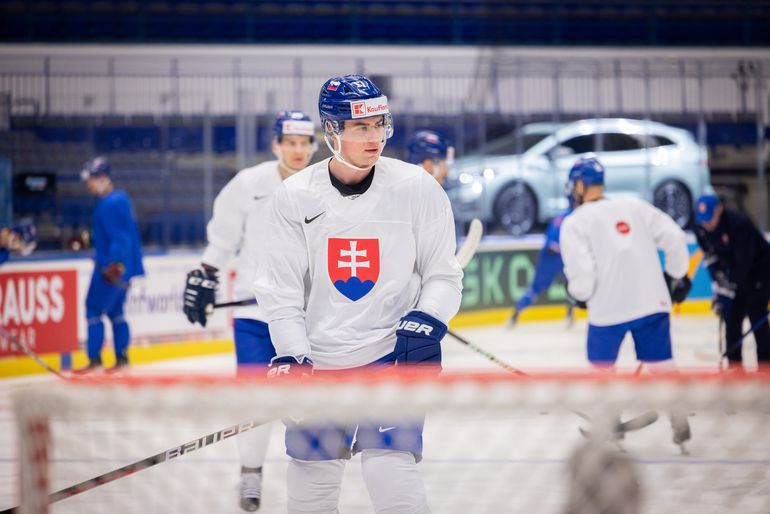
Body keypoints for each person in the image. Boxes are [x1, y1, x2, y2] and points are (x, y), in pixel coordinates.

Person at [253, 74, 463, 513]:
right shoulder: (293, 198)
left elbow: (444, 275)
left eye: (380, 124)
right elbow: (282, 294)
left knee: (390, 474)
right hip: (320, 364)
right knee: (312, 482)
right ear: (332, 131)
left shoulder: (417, 188)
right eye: (361, 127)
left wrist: (429, 317)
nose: (375, 137)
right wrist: (293, 357)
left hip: (389, 357)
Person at [182, 110, 317, 511]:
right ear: (276, 145)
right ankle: (251, 473)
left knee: (307, 406)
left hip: (310, 318)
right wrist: (206, 274)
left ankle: (312, 479)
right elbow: (223, 239)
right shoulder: (248, 184)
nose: (297, 150)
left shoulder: (324, 183)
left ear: (313, 145)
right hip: (255, 319)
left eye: (303, 143)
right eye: (289, 142)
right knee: (256, 401)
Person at [559, 156, 692, 450]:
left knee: (602, 370)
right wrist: (677, 276)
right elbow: (674, 237)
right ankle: (678, 413)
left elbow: (583, 274)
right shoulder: (635, 206)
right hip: (651, 301)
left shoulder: (575, 222)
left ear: (580, 185)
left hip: (608, 310)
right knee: (663, 365)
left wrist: (579, 294)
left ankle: (608, 422)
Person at [76, 156, 144, 373]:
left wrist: (115, 264)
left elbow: (120, 238)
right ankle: (122, 359)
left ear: (103, 178)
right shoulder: (119, 199)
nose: (89, 186)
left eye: (92, 181)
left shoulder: (110, 203)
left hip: (110, 270)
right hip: (125, 269)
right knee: (116, 311)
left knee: (93, 309)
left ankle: (95, 360)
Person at [693, 194, 770, 370]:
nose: (706, 224)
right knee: (732, 319)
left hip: (759, 272)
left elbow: (744, 263)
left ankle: (766, 367)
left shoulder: (739, 224)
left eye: (710, 219)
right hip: (736, 271)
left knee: (756, 314)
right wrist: (719, 283)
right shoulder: (700, 227)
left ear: (720, 209)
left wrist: (728, 290)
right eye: (702, 220)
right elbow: (710, 256)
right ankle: (735, 367)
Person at [508, 202, 574, 328]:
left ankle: (570, 314)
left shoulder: (566, 216)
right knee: (536, 289)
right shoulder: (567, 217)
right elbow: (553, 242)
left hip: (559, 256)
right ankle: (516, 312)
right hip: (551, 258)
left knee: (572, 286)